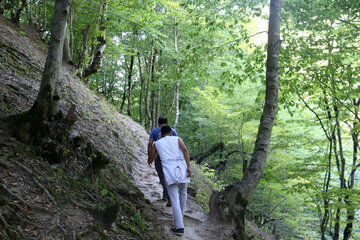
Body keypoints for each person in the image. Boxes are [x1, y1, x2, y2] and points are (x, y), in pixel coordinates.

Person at [148, 126, 192, 236]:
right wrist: (189, 167)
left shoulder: (157, 143)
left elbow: (151, 158)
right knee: (183, 192)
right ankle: (180, 219)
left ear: (161, 134)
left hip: (169, 171)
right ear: (171, 133)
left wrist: (150, 158)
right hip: (181, 168)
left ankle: (179, 226)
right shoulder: (178, 139)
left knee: (174, 197)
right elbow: (185, 150)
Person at [148, 116, 178, 206]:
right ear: (167, 122)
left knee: (161, 175)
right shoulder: (172, 131)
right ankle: (167, 194)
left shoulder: (154, 131)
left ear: (158, 122)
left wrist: (149, 156)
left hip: (158, 155)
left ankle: (167, 194)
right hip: (170, 156)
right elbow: (176, 143)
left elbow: (150, 143)